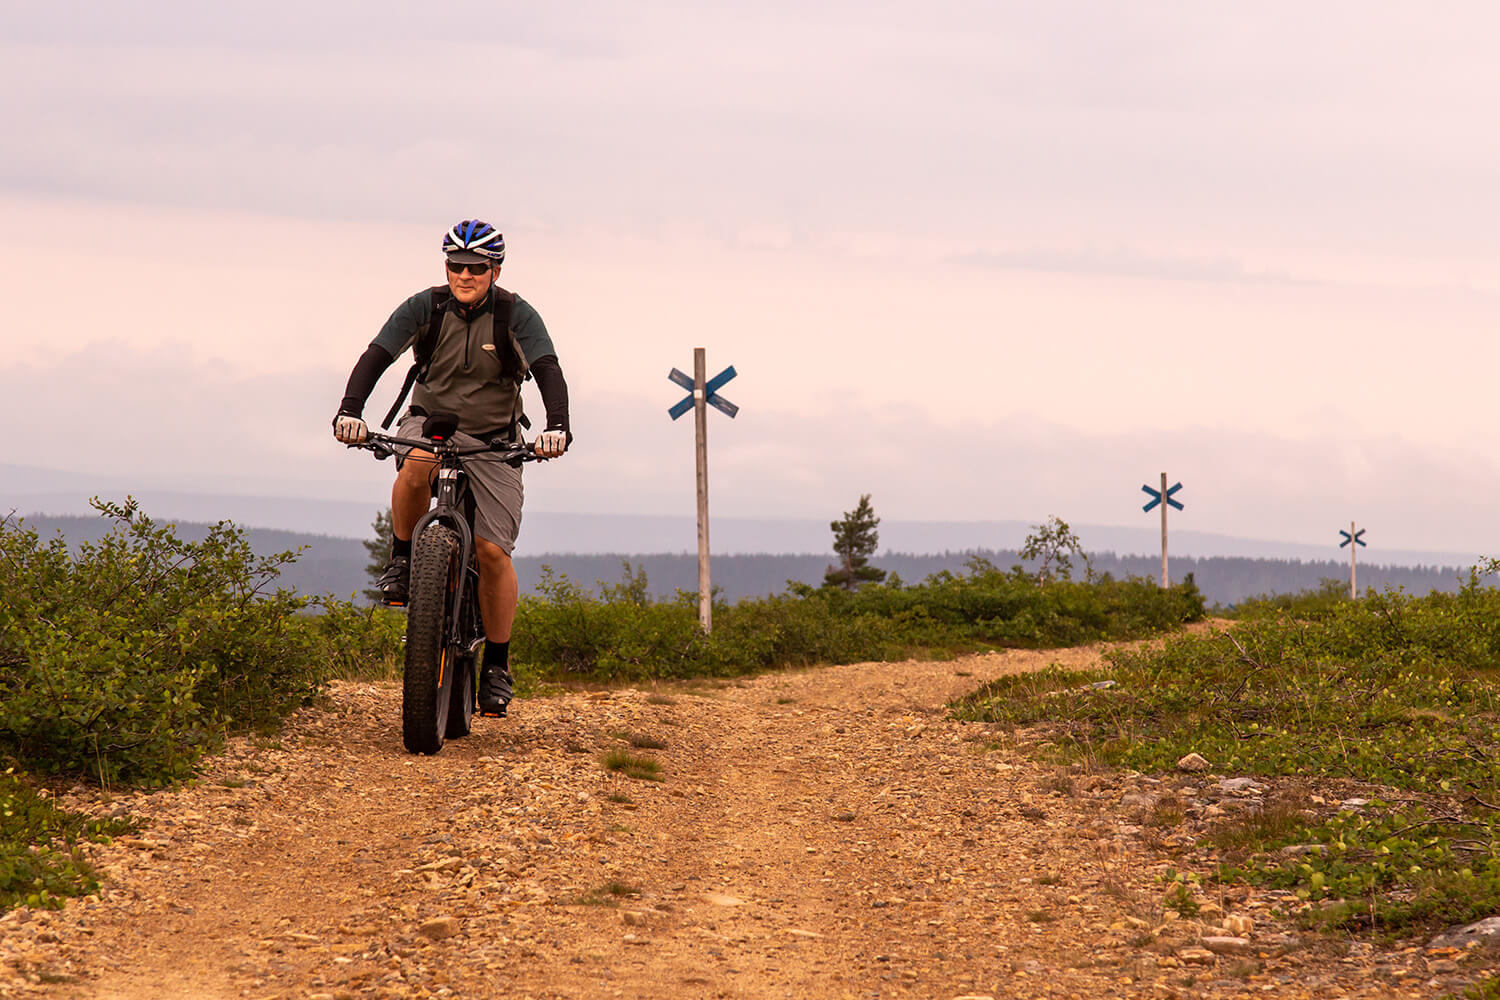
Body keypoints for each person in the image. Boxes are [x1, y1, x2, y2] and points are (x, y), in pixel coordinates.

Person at [332, 219, 571, 718]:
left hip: (494, 439)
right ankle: (402, 560)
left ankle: (497, 666)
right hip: (431, 422)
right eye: (456, 266)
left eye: (476, 268)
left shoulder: (515, 315)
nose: (465, 275)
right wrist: (350, 410)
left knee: (491, 550)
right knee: (415, 465)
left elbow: (547, 367)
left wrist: (557, 426)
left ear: (495, 270)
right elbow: (377, 355)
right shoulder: (427, 306)